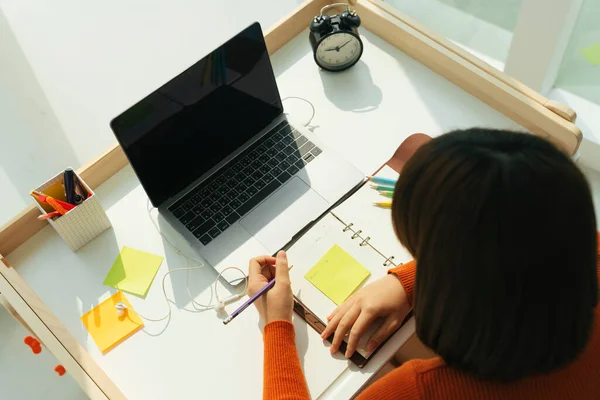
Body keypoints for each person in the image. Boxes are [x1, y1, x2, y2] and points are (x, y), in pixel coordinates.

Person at [247, 128, 600, 399]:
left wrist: (276, 326)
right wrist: (407, 280)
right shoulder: (581, 245)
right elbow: (528, 245)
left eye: (424, 256)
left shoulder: (418, 391)